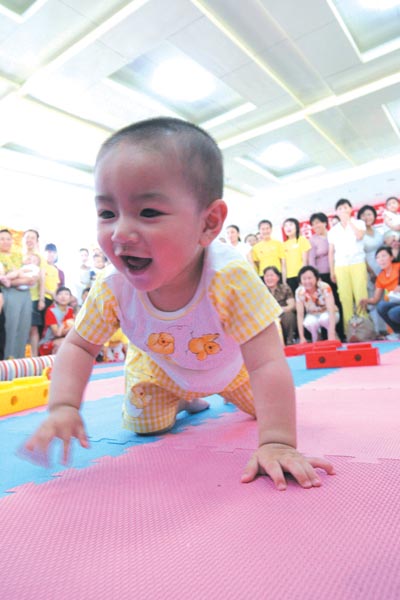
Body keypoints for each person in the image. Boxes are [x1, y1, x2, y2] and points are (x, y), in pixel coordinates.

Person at [24, 117, 334, 490]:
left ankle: (212, 398)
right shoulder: (112, 288)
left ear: (208, 223)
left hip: (232, 369)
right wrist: (63, 405)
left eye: (148, 212)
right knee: (144, 426)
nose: (120, 232)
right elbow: (79, 345)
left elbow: (267, 361)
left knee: (268, 410)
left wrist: (277, 442)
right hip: (159, 369)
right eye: (107, 213)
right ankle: (185, 401)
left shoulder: (229, 277)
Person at [328, 199, 368, 329]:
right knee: (345, 298)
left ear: (351, 209)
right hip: (340, 265)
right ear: (336, 212)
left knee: (360, 294)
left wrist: (349, 221)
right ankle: (349, 329)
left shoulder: (359, 223)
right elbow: (331, 252)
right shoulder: (333, 231)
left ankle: (364, 327)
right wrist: (332, 270)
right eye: (340, 208)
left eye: (345, 207)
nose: (343, 210)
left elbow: (359, 236)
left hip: (357, 262)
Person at [0, 229, 36, 358]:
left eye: (8, 239)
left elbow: (30, 274)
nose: (6, 242)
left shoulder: (19, 255)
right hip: (9, 293)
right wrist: (24, 280)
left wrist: (26, 279)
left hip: (25, 294)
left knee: (24, 328)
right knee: (10, 327)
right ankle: (6, 360)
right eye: (2, 239)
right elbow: (4, 280)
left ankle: (19, 361)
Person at [308, 212, 344, 340]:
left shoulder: (333, 235)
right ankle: (327, 335)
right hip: (323, 275)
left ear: (324, 222)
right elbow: (311, 260)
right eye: (313, 224)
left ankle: (342, 331)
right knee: (326, 305)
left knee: (339, 302)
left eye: (318, 222)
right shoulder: (312, 240)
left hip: (339, 271)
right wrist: (317, 278)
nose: (316, 226)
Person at [359, 246, 400, 341]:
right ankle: (398, 332)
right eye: (378, 257)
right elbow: (376, 299)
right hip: (396, 301)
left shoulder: (398, 267)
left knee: (393, 313)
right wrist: (366, 300)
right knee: (381, 306)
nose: (381, 260)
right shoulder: (380, 277)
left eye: (384, 256)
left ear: (391, 257)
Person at [357, 205, 386, 337]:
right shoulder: (360, 234)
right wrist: (371, 272)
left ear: (374, 216)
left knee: (383, 298)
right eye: (363, 215)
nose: (367, 217)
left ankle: (385, 329)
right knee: (372, 299)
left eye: (369, 214)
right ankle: (376, 331)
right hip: (369, 269)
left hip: (382, 268)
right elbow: (360, 254)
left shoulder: (377, 231)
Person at [295, 266, 340, 344]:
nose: (307, 281)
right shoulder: (299, 292)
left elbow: (331, 309)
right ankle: (316, 338)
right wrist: (302, 337)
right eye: (304, 279)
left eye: (310, 278)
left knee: (324, 319)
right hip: (312, 315)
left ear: (316, 278)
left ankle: (334, 335)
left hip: (328, 314)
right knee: (309, 322)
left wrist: (331, 333)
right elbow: (300, 315)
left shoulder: (325, 287)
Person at [263, 266, 296, 345]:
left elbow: (291, 305)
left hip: (282, 312)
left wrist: (279, 310)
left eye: (271, 275)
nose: (269, 278)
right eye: (267, 276)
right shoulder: (261, 290)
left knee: (289, 316)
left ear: (278, 277)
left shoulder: (285, 288)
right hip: (268, 315)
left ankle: (290, 340)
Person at [39, 287, 75, 355]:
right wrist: (69, 329)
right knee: (64, 343)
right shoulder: (51, 310)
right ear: (55, 297)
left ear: (70, 298)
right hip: (48, 342)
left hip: (64, 339)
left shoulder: (70, 310)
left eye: (66, 294)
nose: (63, 297)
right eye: (60, 294)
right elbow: (56, 333)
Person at [282, 218, 311, 294]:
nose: (288, 227)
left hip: (301, 276)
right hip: (289, 278)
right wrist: (284, 281)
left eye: (291, 225)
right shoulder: (283, 245)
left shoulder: (302, 240)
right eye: (285, 226)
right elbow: (284, 265)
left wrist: (303, 277)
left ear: (296, 227)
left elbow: (305, 261)